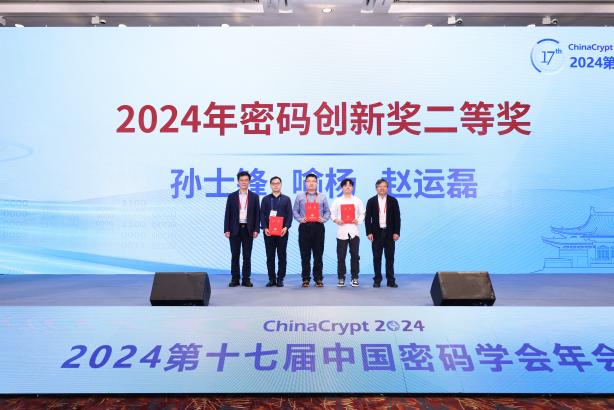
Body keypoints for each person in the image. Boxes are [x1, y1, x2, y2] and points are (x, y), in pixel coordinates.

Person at [292, 173, 331, 287]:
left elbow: (327, 211)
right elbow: (295, 210)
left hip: (318, 227)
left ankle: (318, 278)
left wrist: (323, 219)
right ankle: (305, 278)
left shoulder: (322, 196)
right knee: (305, 255)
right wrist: (300, 219)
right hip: (304, 227)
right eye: (308, 181)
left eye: (313, 181)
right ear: (305, 183)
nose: (311, 183)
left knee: (318, 254)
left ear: (317, 183)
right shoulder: (300, 196)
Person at [224, 170, 260, 287]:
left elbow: (257, 215)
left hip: (248, 229)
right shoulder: (232, 196)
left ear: (249, 182)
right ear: (238, 182)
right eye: (241, 180)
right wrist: (226, 229)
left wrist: (256, 229)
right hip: (234, 229)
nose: (244, 182)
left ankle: (246, 279)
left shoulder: (254, 197)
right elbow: (227, 214)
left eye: (246, 180)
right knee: (235, 255)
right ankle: (235, 279)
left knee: (247, 256)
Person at [364, 178, 401, 288]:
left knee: (390, 258)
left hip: (390, 233)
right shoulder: (371, 201)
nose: (382, 188)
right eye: (380, 186)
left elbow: (397, 218)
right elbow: (367, 218)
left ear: (387, 188)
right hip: (376, 233)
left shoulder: (393, 201)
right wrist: (369, 232)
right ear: (376, 188)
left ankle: (391, 280)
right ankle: (377, 280)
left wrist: (396, 232)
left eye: (384, 186)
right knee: (377, 258)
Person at [330, 179, 365, 287]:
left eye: (350, 185)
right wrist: (336, 220)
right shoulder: (337, 201)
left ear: (352, 187)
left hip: (354, 232)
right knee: (341, 256)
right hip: (342, 232)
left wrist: (358, 220)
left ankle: (355, 278)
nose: (348, 187)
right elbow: (332, 214)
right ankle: (341, 278)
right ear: (342, 188)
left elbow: (363, 213)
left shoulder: (357, 200)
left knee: (355, 256)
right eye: (345, 185)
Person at [260, 176, 293, 287]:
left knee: (282, 256)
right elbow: (261, 215)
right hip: (268, 232)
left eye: (277, 183)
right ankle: (271, 279)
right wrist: (265, 228)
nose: (275, 185)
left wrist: (286, 227)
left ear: (281, 184)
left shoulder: (286, 199)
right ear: (270, 185)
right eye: (273, 183)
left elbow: (290, 215)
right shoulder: (265, 199)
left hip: (282, 232)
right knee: (270, 256)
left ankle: (280, 279)